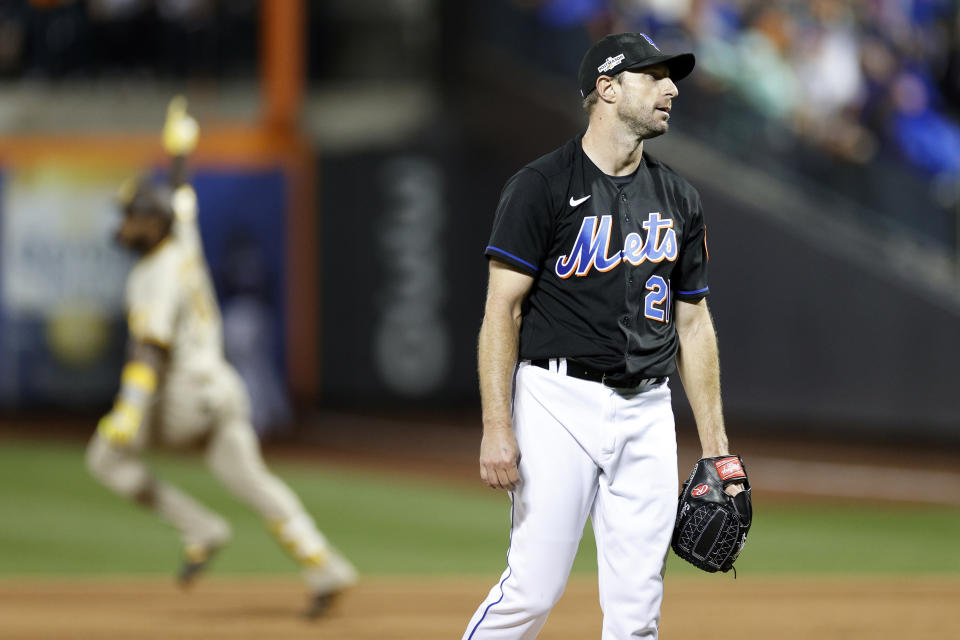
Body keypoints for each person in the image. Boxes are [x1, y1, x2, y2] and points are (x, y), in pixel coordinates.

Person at [464, 33, 744, 639]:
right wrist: (496, 426)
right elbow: (500, 313)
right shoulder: (540, 186)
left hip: (647, 408)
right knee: (531, 592)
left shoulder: (679, 198)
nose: (671, 88)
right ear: (608, 89)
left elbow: (693, 324)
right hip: (555, 402)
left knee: (638, 610)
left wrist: (718, 450)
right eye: (654, 77)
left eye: (673, 78)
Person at [86, 97, 356, 618]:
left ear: (149, 222)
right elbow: (182, 197)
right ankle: (325, 564)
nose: (123, 224)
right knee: (255, 483)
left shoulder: (154, 274)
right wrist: (179, 150)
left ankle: (199, 526)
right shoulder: (180, 235)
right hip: (225, 391)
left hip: (184, 397)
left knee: (106, 455)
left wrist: (129, 411)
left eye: (130, 216)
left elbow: (152, 347)